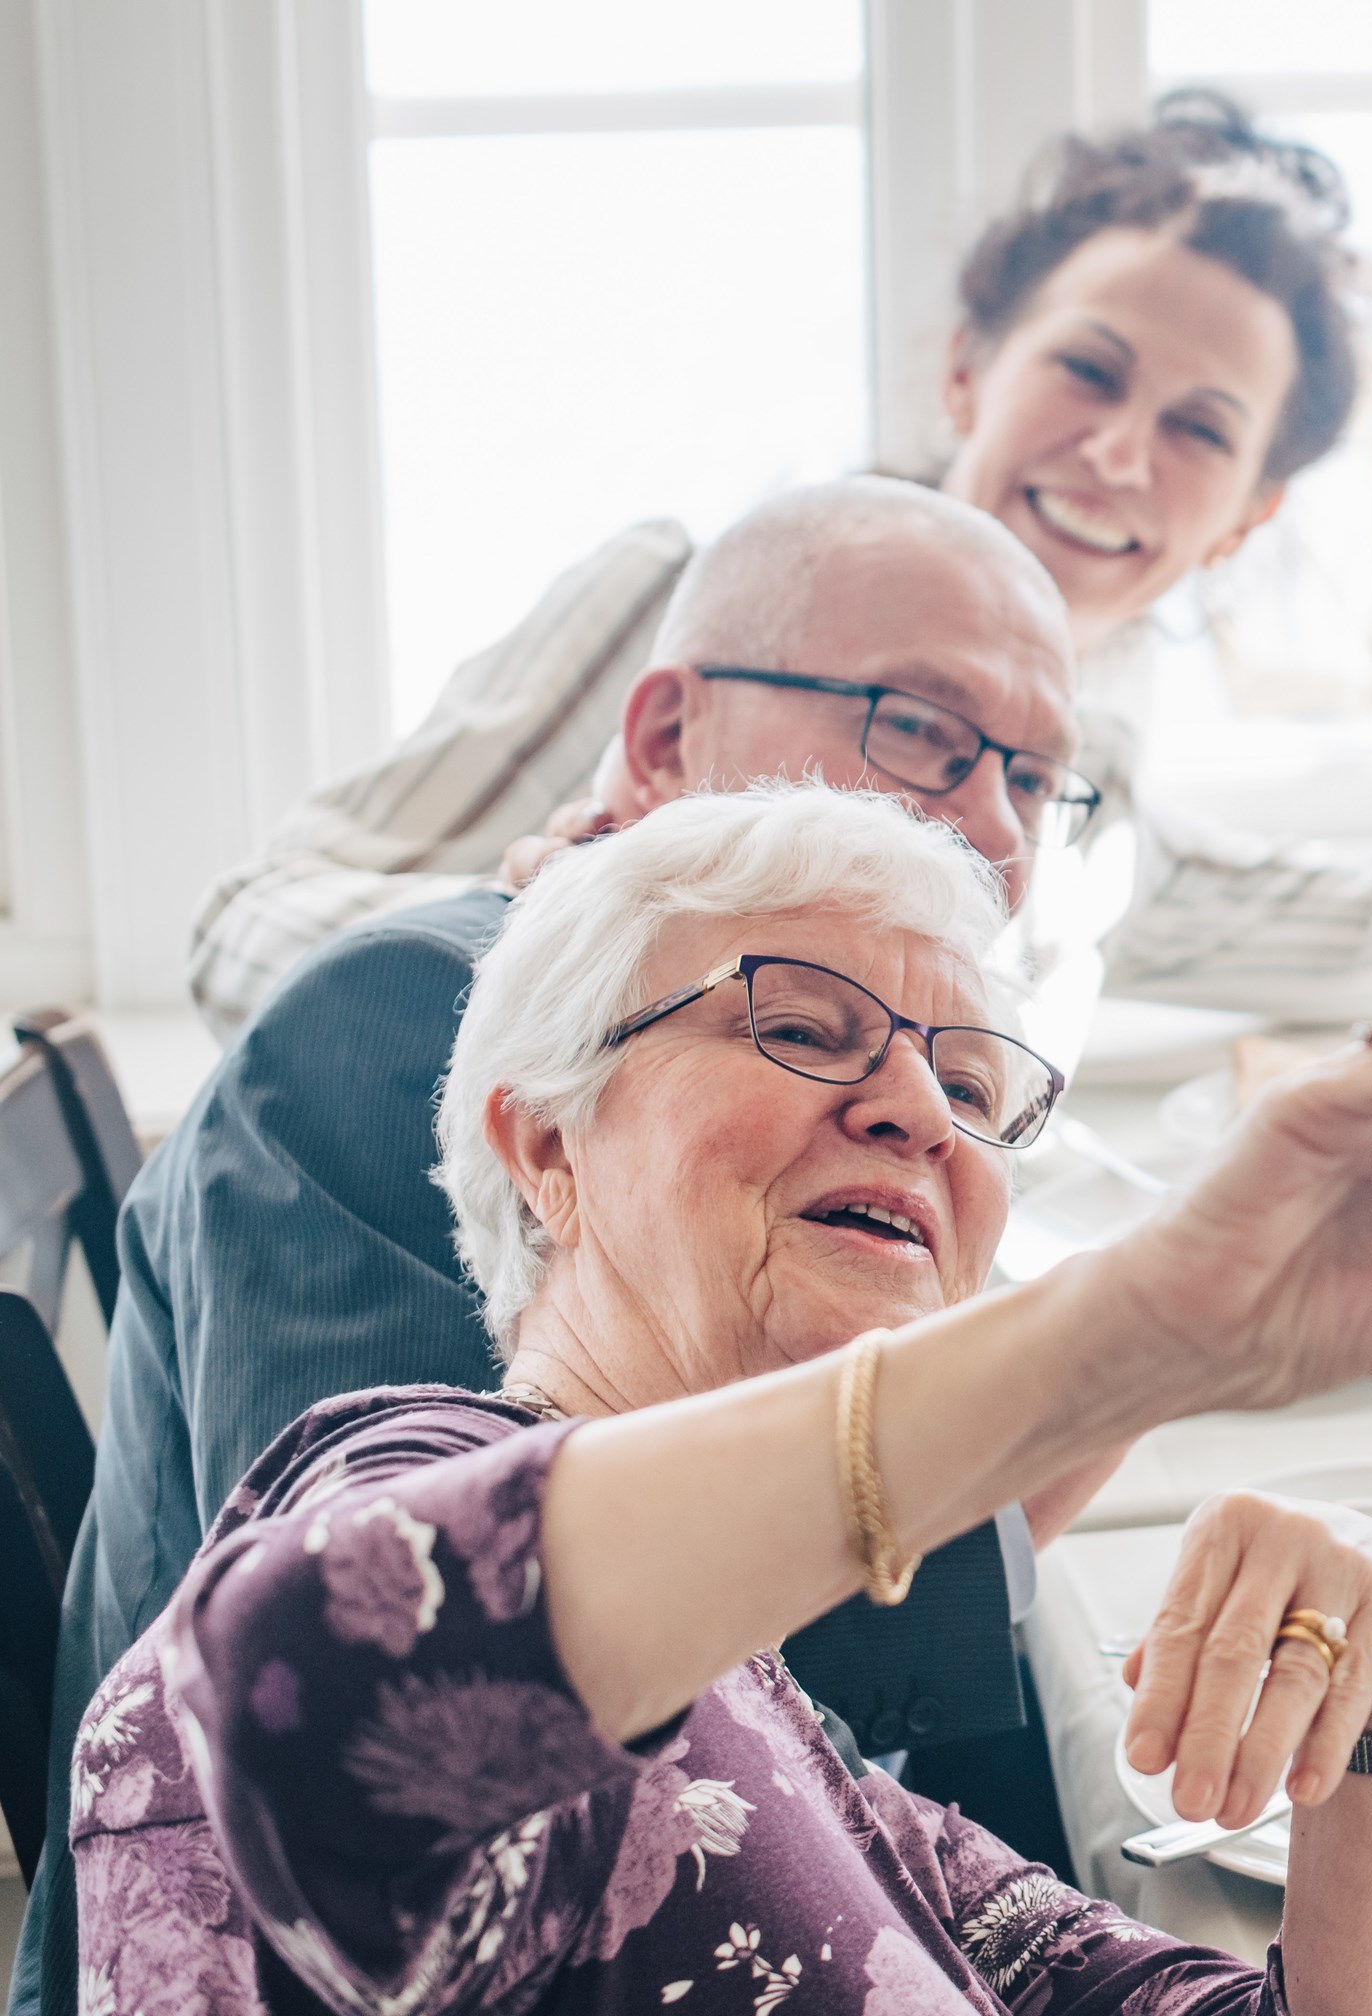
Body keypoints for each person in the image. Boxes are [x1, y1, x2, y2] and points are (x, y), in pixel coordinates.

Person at [72, 783, 1372, 2012]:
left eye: (969, 1087)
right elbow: (315, 1706)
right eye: (799, 1028)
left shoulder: (770, 1707)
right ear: (546, 1148)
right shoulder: (389, 1493)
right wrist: (1134, 1333)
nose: (914, 1110)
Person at [28, 480, 1081, 2013]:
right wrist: (1137, 1345)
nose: (991, 821)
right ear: (664, 740)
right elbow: (418, 1736)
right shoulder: (400, 1027)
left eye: (1038, 780)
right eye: (921, 730)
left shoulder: (808, 1111)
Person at [185, 88, 1372, 1041]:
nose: (1115, 455)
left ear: (1243, 520)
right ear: (967, 372)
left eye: (1196, 429)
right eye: (1087, 371)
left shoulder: (1071, 799)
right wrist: (547, 928)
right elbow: (244, 926)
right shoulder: (680, 601)